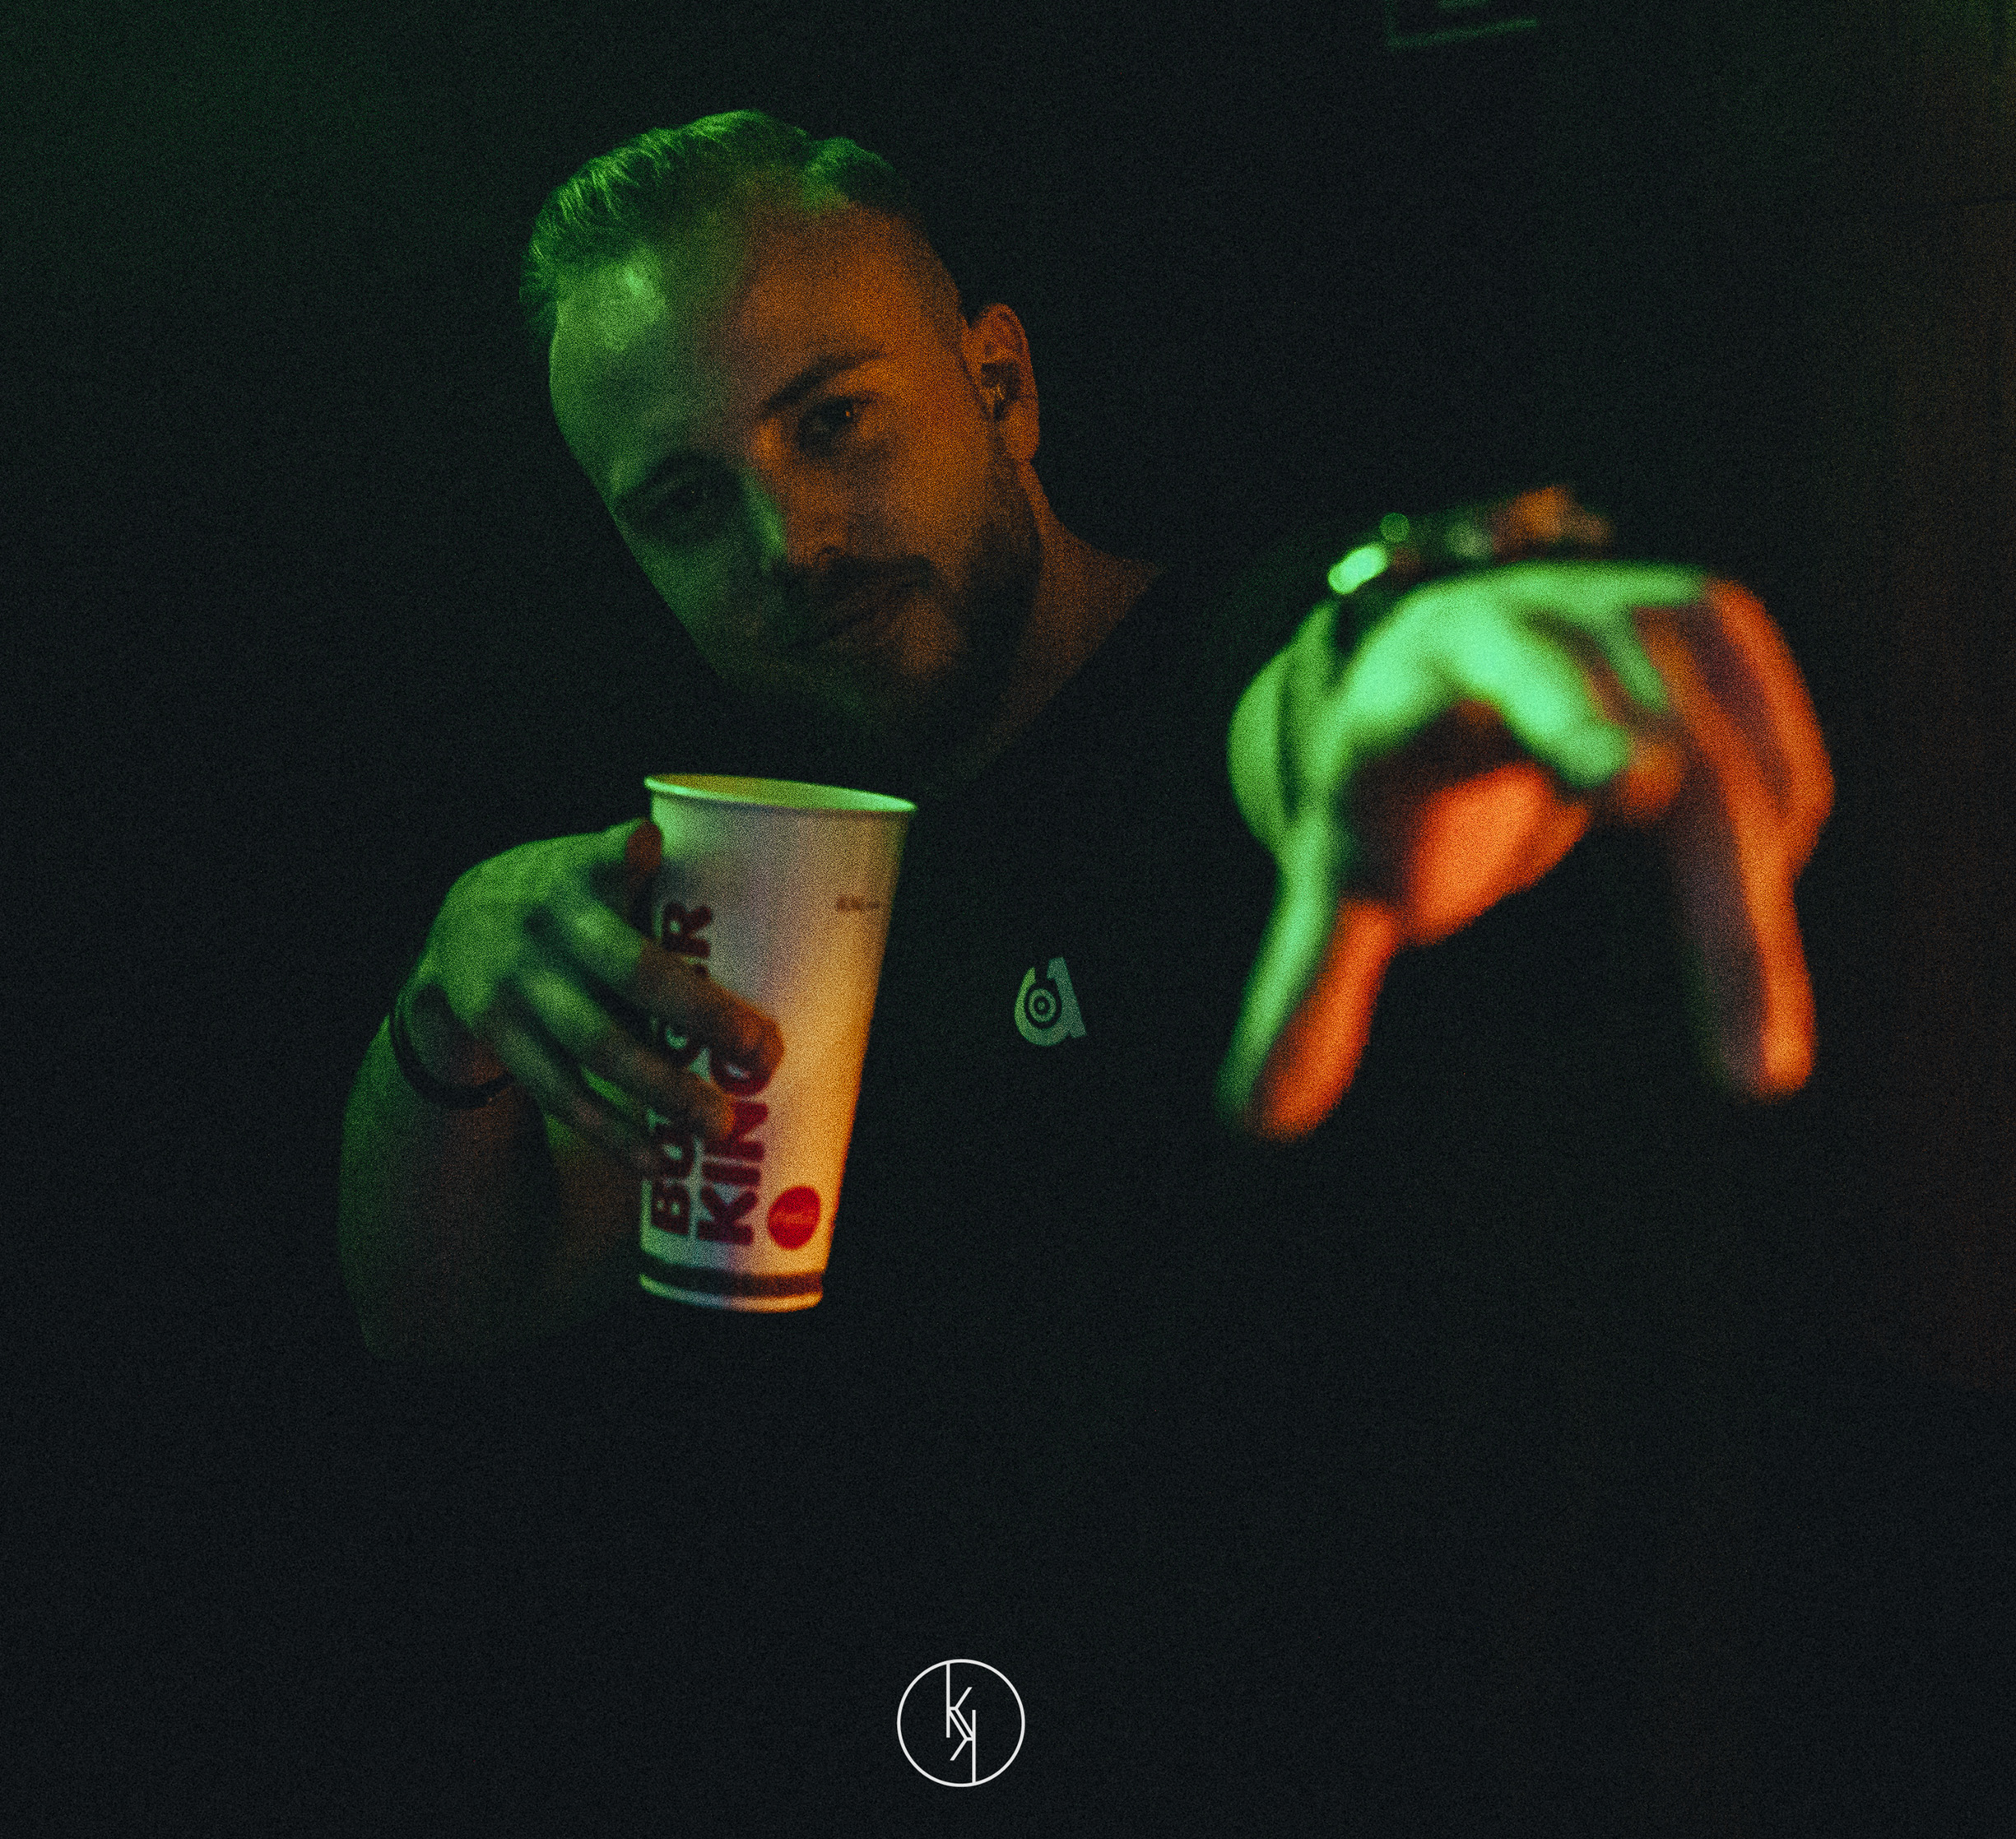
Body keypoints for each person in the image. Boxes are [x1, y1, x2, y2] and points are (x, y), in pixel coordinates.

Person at [336, 110, 1830, 1824]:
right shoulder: (765, 884)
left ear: (1002, 384)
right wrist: (447, 999)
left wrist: (1400, 649)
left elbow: (1310, 692)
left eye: (833, 419)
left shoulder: (1225, 675)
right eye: (685, 501)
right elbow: (439, 1302)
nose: (788, 539)